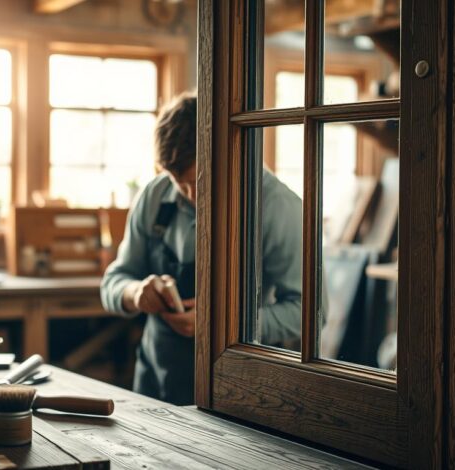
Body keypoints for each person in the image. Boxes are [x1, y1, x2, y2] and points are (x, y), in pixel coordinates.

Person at [100, 93, 303, 405]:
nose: (192, 195)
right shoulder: (154, 197)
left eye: (200, 180)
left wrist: (223, 325)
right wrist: (136, 292)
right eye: (179, 183)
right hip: (154, 386)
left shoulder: (277, 207)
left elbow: (309, 314)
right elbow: (113, 281)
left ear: (226, 151)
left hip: (238, 394)